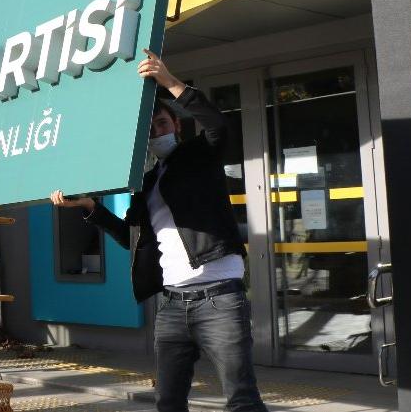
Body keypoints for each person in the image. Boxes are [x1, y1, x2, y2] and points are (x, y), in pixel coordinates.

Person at [51, 49, 267, 412]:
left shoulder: (200, 157)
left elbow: (218, 125)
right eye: (150, 131)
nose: (157, 133)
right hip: (170, 305)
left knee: (241, 399)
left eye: (163, 125)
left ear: (177, 125)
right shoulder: (148, 182)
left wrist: (169, 81)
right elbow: (132, 240)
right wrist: (90, 209)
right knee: (168, 402)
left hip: (219, 299)